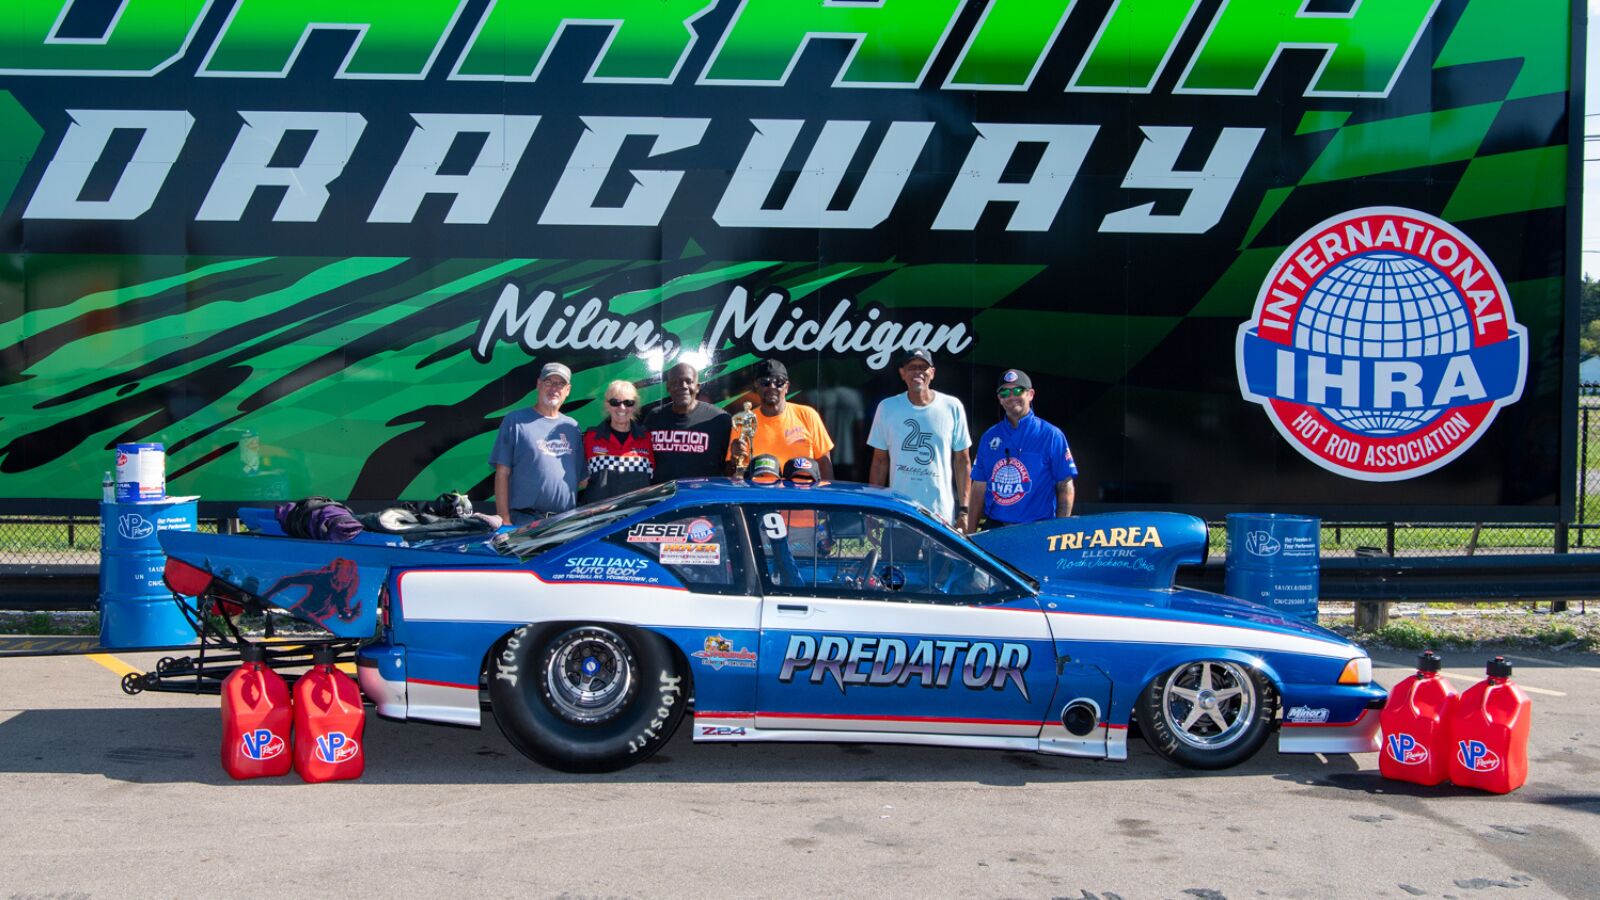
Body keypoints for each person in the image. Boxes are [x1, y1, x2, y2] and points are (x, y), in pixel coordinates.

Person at [867, 349, 972, 528]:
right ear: (902, 373)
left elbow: (963, 461)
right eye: (911, 367)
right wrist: (873, 511)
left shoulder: (952, 406)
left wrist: (964, 510)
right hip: (899, 514)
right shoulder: (887, 407)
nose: (918, 372)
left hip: (940, 515)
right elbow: (879, 462)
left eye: (923, 367)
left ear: (933, 372)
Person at [965, 369, 1077, 533]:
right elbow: (978, 488)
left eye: (1018, 391)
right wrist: (969, 533)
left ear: (1030, 394)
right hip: (995, 530)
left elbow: (1065, 485)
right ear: (1000, 399)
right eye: (1004, 393)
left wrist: (1060, 532)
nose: (1011, 396)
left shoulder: (1051, 435)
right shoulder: (989, 437)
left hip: (1036, 530)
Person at [489, 362, 582, 527]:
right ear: (539, 384)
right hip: (525, 521)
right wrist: (504, 519)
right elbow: (502, 473)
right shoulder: (515, 421)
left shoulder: (572, 427)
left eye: (560, 384)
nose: (554, 388)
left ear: (568, 390)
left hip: (564, 524)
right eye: (549, 382)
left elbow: (582, 479)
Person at [727, 359, 835, 479]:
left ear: (787, 387)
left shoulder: (808, 415)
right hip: (758, 491)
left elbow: (825, 465)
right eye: (765, 382)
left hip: (802, 490)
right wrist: (734, 459)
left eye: (779, 382)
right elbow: (731, 472)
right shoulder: (745, 421)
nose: (772, 387)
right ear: (756, 386)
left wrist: (826, 490)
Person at [642, 360, 732, 483]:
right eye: (675, 382)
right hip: (663, 495)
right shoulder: (654, 417)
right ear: (668, 387)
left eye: (688, 381)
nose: (683, 386)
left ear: (698, 387)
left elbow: (729, 468)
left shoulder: (719, 420)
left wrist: (735, 460)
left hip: (701, 495)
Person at [582, 380, 654, 503]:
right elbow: (581, 480)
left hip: (637, 513)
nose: (622, 408)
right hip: (600, 514)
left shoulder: (647, 439)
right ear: (607, 405)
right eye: (615, 402)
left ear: (635, 406)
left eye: (628, 403)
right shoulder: (590, 438)